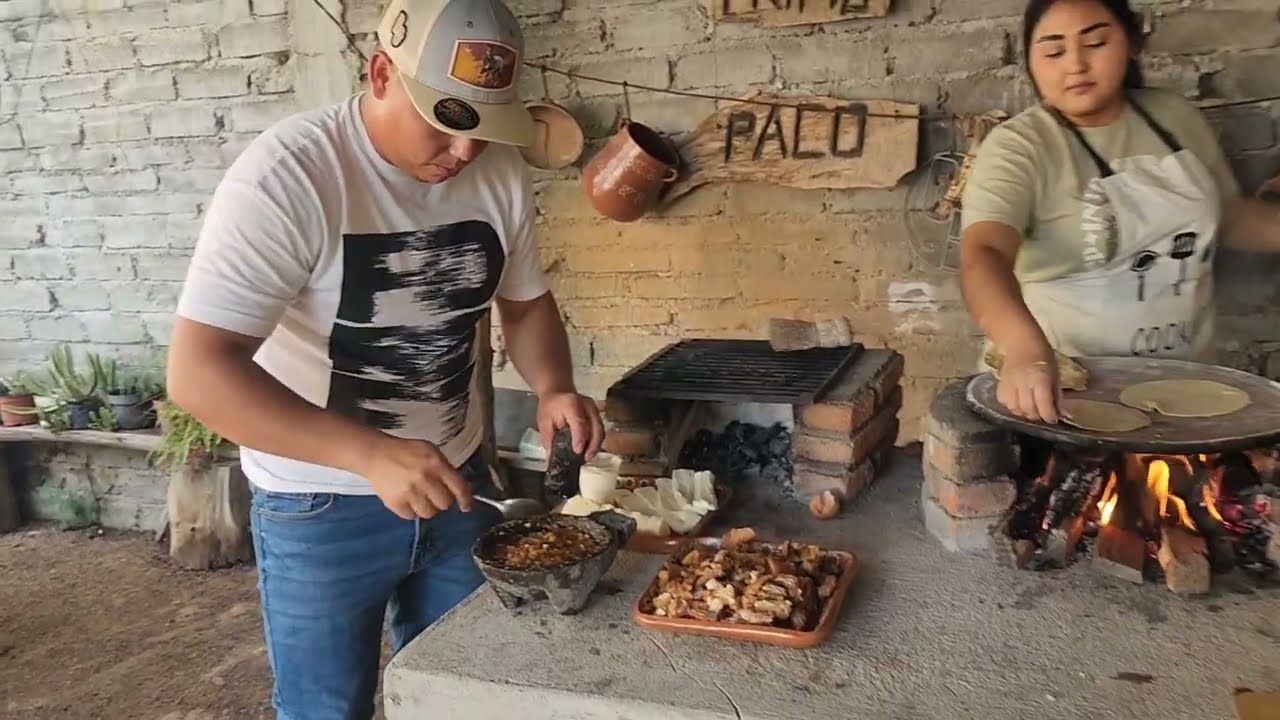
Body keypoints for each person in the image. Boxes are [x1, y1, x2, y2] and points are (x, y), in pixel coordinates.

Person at [165, 0, 604, 717]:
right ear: (380, 75)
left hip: (459, 484)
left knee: (459, 695)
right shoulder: (290, 176)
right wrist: (369, 455)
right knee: (327, 709)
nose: (465, 153)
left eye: (485, 127)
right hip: (320, 504)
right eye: (449, 121)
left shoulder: (496, 170)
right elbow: (199, 371)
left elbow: (522, 303)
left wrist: (553, 386)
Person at [959, 0, 1280, 429]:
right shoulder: (1021, 147)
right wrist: (1024, 351)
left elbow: (1231, 216)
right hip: (1065, 395)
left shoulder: (1174, 118)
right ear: (1031, 62)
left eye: (1096, 42)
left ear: (1130, 43)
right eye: (1054, 52)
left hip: (1185, 385)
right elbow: (984, 254)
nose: (1075, 65)